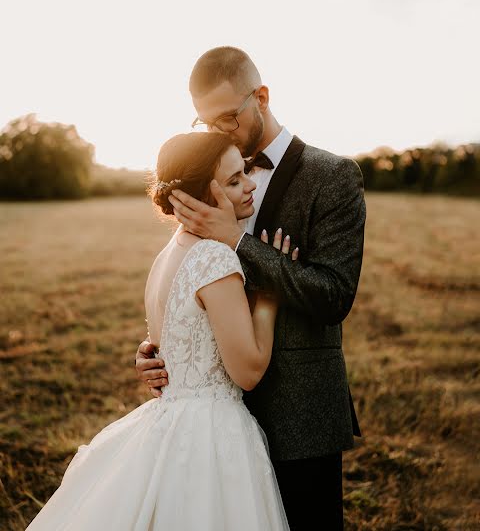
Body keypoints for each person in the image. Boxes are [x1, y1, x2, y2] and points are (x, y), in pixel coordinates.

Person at [136, 46, 366, 530]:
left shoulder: (332, 176)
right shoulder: (211, 174)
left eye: (226, 117)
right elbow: (188, 281)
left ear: (260, 96)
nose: (219, 132)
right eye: (206, 124)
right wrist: (160, 350)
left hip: (300, 413)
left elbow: (334, 296)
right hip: (215, 420)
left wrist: (239, 241)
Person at [26, 132, 295, 531]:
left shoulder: (169, 254)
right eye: (235, 179)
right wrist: (270, 297)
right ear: (205, 193)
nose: (250, 185)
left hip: (167, 422)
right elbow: (249, 371)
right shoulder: (214, 257)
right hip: (210, 436)